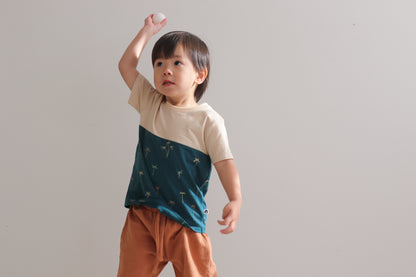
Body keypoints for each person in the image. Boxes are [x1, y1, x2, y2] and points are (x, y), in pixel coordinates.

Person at [117, 14, 242, 277]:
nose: (166, 69)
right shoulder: (150, 103)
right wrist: (146, 32)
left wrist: (235, 198)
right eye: (159, 63)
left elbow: (224, 162)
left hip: (185, 219)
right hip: (143, 216)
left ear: (200, 74)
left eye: (176, 62)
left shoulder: (208, 120)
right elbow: (126, 66)